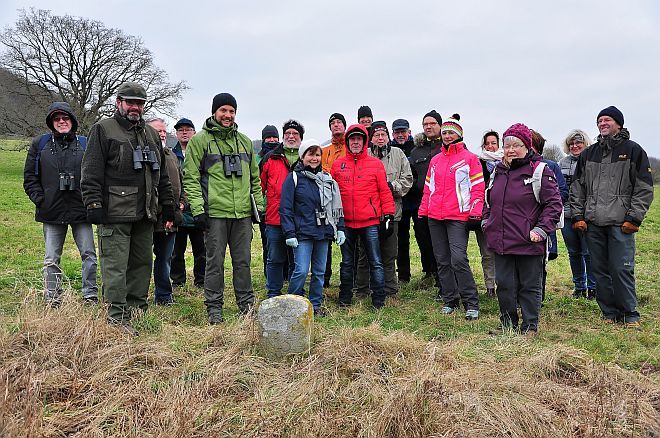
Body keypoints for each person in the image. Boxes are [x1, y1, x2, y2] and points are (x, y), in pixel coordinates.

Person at [81, 82, 174, 336]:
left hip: (145, 213)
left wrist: (167, 206)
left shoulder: (151, 135)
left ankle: (137, 311)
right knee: (115, 266)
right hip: (114, 212)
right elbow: (90, 171)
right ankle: (116, 317)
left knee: (142, 264)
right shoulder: (103, 129)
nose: (135, 107)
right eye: (130, 102)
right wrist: (94, 204)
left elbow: (162, 175)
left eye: (139, 103)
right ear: (118, 102)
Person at [569, 106, 654, 327]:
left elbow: (644, 188)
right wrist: (578, 215)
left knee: (621, 268)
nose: (602, 123)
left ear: (618, 123)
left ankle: (630, 314)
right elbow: (577, 187)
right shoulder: (589, 154)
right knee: (600, 270)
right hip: (593, 223)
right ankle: (608, 312)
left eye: (607, 120)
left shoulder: (634, 151)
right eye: (599, 120)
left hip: (620, 224)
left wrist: (634, 218)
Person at [183, 93, 263, 324]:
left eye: (231, 111)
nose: (228, 115)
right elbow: (191, 178)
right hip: (215, 214)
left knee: (243, 262)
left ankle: (246, 305)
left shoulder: (245, 142)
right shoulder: (200, 141)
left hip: (242, 216)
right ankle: (214, 307)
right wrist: (198, 209)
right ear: (214, 112)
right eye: (223, 110)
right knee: (214, 263)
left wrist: (259, 208)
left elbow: (254, 179)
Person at [483, 123, 562, 336]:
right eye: (507, 144)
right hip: (501, 240)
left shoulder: (540, 171)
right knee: (505, 285)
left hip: (529, 240)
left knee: (529, 286)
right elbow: (488, 202)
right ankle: (507, 324)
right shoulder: (497, 172)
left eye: (516, 145)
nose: (510, 149)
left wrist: (540, 230)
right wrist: (486, 221)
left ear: (527, 147)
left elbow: (554, 205)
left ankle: (530, 326)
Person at [23, 102, 98, 307]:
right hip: (52, 211)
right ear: (51, 122)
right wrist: (41, 199)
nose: (61, 122)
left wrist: (92, 202)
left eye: (65, 118)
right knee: (51, 258)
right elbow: (29, 177)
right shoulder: (40, 144)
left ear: (72, 121)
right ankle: (53, 298)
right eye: (57, 119)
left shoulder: (85, 143)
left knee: (89, 255)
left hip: (81, 210)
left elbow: (95, 174)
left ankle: (90, 295)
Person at [419, 115, 483, 320]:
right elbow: (428, 188)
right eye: (444, 132)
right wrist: (423, 209)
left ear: (459, 134)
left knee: (458, 259)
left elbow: (478, 188)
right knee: (442, 260)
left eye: (451, 132)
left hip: (458, 216)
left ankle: (471, 302)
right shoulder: (436, 160)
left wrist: (475, 210)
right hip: (435, 216)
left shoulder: (470, 158)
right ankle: (450, 300)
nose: (447, 136)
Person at [331, 124, 395, 309]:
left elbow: (384, 191)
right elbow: (332, 194)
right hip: (347, 223)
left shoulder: (375, 164)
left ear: (365, 141)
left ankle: (379, 299)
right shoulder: (338, 165)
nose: (356, 142)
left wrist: (388, 214)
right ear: (347, 142)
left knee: (375, 261)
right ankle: (344, 299)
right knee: (347, 262)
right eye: (352, 139)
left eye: (359, 139)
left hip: (370, 222)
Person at [280, 139, 345, 316]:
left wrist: (340, 228)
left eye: (317, 154)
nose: (314, 158)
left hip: (323, 232)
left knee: (319, 272)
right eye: (310, 154)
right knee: (301, 270)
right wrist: (289, 233)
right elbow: (285, 207)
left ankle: (315, 306)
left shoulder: (327, 179)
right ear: (303, 157)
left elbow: (335, 207)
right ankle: (294, 304)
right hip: (302, 233)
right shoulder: (294, 178)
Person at [354, 121, 412, 296]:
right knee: (365, 254)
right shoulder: (364, 155)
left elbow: (407, 180)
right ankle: (363, 289)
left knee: (389, 253)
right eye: (376, 135)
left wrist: (391, 186)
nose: (380, 138)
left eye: (383, 135)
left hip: (392, 212)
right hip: (367, 214)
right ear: (371, 138)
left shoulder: (398, 154)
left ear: (388, 137)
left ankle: (390, 289)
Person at [259, 120, 303, 299]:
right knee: (275, 258)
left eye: (295, 134)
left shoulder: (306, 158)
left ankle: (295, 292)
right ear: (283, 136)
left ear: (301, 138)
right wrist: (259, 209)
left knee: (297, 260)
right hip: (274, 217)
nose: (291, 137)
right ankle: (273, 292)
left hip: (299, 220)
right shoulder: (270, 158)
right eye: (288, 134)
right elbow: (258, 186)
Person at [148, 118, 184, 305]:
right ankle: (139, 294)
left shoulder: (171, 155)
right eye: (157, 131)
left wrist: (182, 202)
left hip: (171, 218)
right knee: (143, 259)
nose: (162, 134)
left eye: (163, 131)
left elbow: (181, 182)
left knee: (165, 258)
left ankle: (163, 295)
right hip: (150, 217)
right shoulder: (144, 154)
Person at [530, 129, 568, 302]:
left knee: (539, 262)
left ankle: (538, 298)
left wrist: (544, 208)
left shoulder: (550, 166)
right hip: (518, 222)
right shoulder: (509, 166)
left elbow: (562, 191)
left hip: (542, 222)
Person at [559, 129, 596, 299]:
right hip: (567, 214)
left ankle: (593, 287)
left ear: (585, 143)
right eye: (571, 143)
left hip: (586, 214)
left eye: (578, 142)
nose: (575, 146)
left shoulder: (592, 161)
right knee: (574, 252)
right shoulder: (562, 163)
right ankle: (579, 286)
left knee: (589, 252)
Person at [170, 118, 206, 289]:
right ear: (176, 133)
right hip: (179, 211)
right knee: (176, 251)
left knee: (202, 251)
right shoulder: (170, 155)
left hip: (198, 210)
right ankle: (178, 281)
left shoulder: (202, 153)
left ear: (194, 132)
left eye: (188, 129)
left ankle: (202, 280)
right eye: (180, 130)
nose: (184, 132)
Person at [409, 110, 442, 288]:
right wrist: (417, 186)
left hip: (443, 204)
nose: (428, 127)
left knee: (441, 242)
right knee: (423, 239)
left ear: (440, 125)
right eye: (425, 124)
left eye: (432, 123)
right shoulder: (416, 151)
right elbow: (411, 175)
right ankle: (430, 272)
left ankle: (442, 275)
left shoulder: (447, 146)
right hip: (421, 204)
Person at [321, 112, 347, 287]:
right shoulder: (323, 150)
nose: (336, 125)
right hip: (327, 201)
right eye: (333, 123)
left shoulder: (351, 146)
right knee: (326, 240)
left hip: (346, 199)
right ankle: (325, 278)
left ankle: (348, 278)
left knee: (348, 241)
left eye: (339, 122)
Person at [475, 130, 503, 296]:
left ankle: (503, 284)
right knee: (486, 252)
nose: (491, 146)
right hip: (483, 212)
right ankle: (489, 286)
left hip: (502, 213)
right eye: (488, 143)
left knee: (501, 251)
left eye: (494, 143)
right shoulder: (478, 162)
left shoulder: (507, 162)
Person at [390, 118, 417, 282]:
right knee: (401, 239)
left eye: (403, 132)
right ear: (393, 134)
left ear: (409, 132)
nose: (400, 135)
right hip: (399, 201)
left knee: (422, 237)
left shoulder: (416, 148)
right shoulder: (390, 150)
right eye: (397, 132)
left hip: (416, 200)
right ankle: (404, 274)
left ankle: (429, 271)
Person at [256, 124, 281, 275]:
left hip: (281, 207)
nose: (272, 140)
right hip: (265, 209)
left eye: (274, 137)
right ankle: (268, 271)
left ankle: (284, 273)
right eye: (268, 137)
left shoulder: (282, 156)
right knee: (268, 243)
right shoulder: (257, 158)